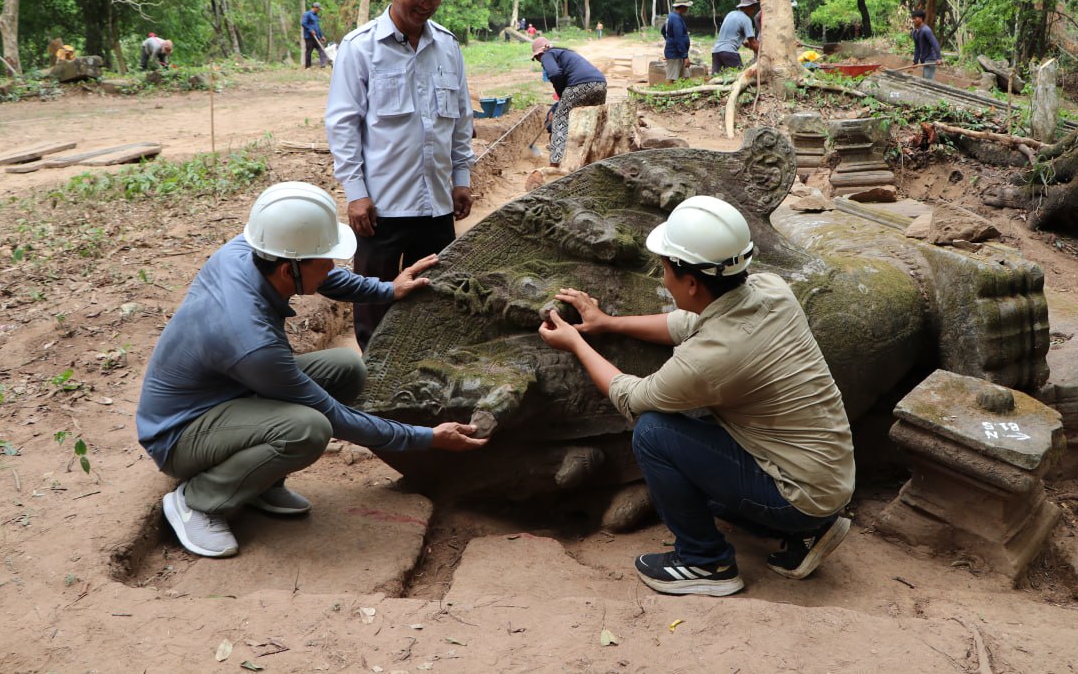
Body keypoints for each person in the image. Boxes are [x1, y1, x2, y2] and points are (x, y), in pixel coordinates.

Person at [137, 181, 487, 559]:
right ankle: (198, 501)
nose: (332, 266)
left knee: (347, 368)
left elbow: (321, 275)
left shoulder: (248, 251)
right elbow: (334, 416)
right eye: (325, 259)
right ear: (289, 270)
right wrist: (426, 437)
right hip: (180, 434)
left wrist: (387, 289)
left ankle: (259, 481)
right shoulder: (252, 341)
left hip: (228, 392)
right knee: (308, 428)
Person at [537, 195, 855, 598]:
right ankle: (813, 530)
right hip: (829, 478)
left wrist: (576, 344)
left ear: (690, 283)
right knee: (698, 474)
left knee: (654, 432)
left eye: (665, 269)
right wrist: (608, 324)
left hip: (797, 495)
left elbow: (630, 397)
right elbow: (688, 322)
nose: (663, 278)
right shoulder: (770, 290)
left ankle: (706, 562)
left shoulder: (709, 359)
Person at [325, 0, 474, 351]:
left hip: (436, 208)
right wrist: (356, 193)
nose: (427, 3)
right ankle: (374, 382)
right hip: (381, 211)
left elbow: (460, 120)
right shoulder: (360, 48)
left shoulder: (448, 47)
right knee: (374, 313)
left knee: (437, 304)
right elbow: (343, 125)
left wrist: (461, 178)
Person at [531, 36, 607, 169]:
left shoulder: (547, 55)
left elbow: (554, 74)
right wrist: (563, 98)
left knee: (560, 118)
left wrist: (562, 94)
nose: (540, 62)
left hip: (580, 86)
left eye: (538, 58)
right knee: (593, 120)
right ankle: (595, 158)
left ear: (539, 54)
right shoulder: (565, 53)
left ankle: (555, 163)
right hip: (600, 84)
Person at [711, 0, 759, 74]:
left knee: (716, 77)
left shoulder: (731, 14)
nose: (753, 11)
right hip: (729, 52)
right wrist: (761, 54)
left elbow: (733, 34)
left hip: (716, 51)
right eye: (753, 8)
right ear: (748, 7)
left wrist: (747, 44)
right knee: (738, 76)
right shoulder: (746, 19)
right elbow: (753, 42)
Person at [662, 0, 693, 82]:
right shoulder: (676, 19)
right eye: (686, 6)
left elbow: (663, 31)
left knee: (685, 78)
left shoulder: (672, 16)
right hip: (675, 54)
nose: (687, 8)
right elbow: (679, 38)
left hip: (679, 54)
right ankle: (668, 90)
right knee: (672, 79)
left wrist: (669, 40)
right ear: (682, 6)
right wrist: (685, 56)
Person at [911, 8, 941, 80]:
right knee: (925, 79)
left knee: (927, 81)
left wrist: (938, 58)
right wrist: (915, 61)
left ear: (921, 19)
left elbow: (935, 43)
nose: (913, 20)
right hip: (924, 59)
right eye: (913, 18)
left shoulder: (926, 30)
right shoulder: (915, 32)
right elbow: (917, 48)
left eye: (915, 18)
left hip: (930, 58)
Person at [302, 2, 329, 68]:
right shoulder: (307, 14)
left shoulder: (316, 16)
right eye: (318, 9)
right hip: (309, 37)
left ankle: (323, 65)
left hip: (317, 36)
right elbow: (303, 23)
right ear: (314, 8)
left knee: (321, 49)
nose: (319, 10)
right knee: (309, 51)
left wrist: (321, 36)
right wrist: (310, 30)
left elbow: (317, 27)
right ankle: (308, 66)